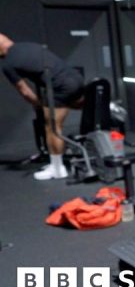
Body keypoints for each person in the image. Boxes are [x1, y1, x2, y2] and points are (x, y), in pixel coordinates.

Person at [0, 33, 85, 179]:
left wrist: (39, 105)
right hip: (76, 78)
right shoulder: (30, 45)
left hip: (59, 87)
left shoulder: (8, 63)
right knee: (75, 104)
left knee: (52, 127)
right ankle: (107, 107)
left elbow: (25, 92)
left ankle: (57, 169)